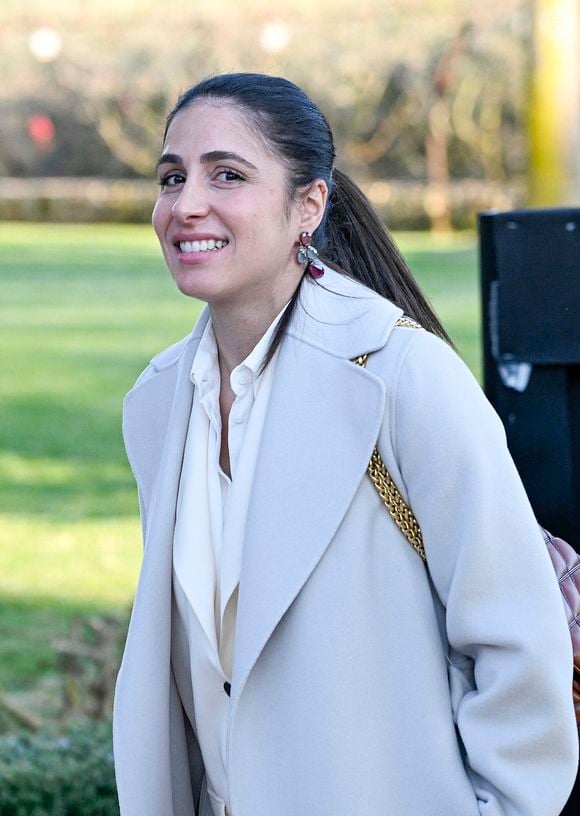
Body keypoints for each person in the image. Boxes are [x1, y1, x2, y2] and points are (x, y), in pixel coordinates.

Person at [113, 73, 578, 816]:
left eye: (226, 173)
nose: (185, 203)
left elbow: (519, 643)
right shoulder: (159, 399)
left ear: (309, 205)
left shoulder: (402, 375)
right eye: (172, 177)